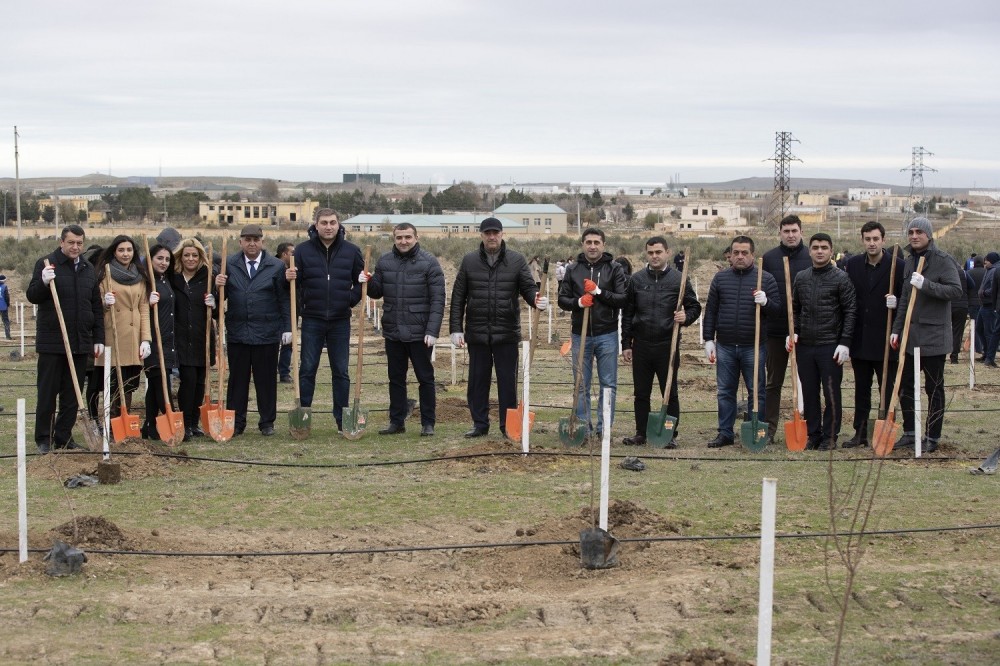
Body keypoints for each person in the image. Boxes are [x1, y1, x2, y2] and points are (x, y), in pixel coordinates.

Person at [449, 217, 545, 438]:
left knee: (507, 382)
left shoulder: (516, 260)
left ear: (502, 234)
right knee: (477, 382)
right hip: (478, 333)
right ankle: (480, 424)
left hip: (507, 333)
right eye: (487, 233)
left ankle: (507, 425)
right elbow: (458, 297)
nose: (491, 237)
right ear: (481, 235)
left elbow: (528, 288)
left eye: (495, 233)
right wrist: (456, 328)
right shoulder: (469, 261)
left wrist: (536, 300)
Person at [26, 225, 105, 453]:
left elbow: (96, 307)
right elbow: (32, 296)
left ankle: (63, 436)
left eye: (79, 243)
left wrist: (97, 337)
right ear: (62, 242)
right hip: (53, 342)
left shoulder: (88, 269)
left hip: (80, 342)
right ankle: (43, 438)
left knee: (72, 394)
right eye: (71, 242)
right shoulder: (46, 264)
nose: (75, 247)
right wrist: (42, 282)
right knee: (48, 392)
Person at [363, 223, 446, 436]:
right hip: (393, 331)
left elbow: (438, 300)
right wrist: (367, 281)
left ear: (416, 237)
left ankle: (428, 423)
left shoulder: (429, 263)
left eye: (408, 237)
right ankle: (396, 421)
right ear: (394, 239)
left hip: (420, 333)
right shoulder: (385, 261)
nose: (403, 241)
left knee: (425, 378)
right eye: (399, 237)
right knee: (395, 378)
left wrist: (432, 331)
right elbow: (376, 292)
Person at [288, 209, 364, 433]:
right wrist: (291, 283)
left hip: (340, 320)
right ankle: (303, 419)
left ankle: (342, 421)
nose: (328, 227)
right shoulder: (302, 251)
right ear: (316, 225)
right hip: (312, 319)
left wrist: (349, 299)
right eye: (324, 223)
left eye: (332, 222)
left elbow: (362, 281)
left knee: (341, 371)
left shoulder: (352, 251)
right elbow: (293, 284)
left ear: (339, 225)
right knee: (308, 369)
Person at [891, 218, 963, 452]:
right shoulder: (909, 260)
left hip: (933, 336)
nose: (914, 236)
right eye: (911, 232)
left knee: (934, 389)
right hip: (910, 337)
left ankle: (932, 436)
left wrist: (927, 285)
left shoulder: (944, 261)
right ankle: (910, 432)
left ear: (929, 235)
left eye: (919, 232)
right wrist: (896, 329)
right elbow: (904, 300)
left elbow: (955, 290)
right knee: (905, 386)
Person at [621, 237, 701, 447]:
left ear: (667, 252)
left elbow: (694, 307)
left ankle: (670, 434)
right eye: (651, 253)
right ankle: (641, 433)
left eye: (658, 252)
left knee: (670, 391)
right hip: (642, 345)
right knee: (641, 392)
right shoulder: (636, 280)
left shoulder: (679, 279)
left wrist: (686, 317)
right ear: (646, 254)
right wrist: (626, 344)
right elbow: (628, 314)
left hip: (668, 344)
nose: (655, 256)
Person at [703, 236, 781, 448]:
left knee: (757, 391)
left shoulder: (765, 279)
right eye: (736, 252)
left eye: (744, 252)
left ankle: (755, 430)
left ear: (752, 255)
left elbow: (777, 311)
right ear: (730, 254)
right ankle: (725, 433)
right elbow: (711, 310)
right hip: (726, 345)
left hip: (754, 346)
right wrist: (708, 339)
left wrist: (766, 302)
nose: (739, 256)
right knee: (725, 391)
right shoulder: (720, 279)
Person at [215, 224, 290, 437]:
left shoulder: (275, 266)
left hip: (266, 332)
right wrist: (216, 286)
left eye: (256, 239)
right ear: (240, 242)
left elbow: (284, 299)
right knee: (237, 381)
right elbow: (219, 299)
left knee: (266, 380)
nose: (251, 243)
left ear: (262, 242)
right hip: (238, 332)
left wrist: (287, 327)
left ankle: (267, 422)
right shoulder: (228, 264)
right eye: (247, 239)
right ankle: (237, 422)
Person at [558, 227, 628, 436]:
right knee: (581, 384)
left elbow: (622, 298)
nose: (592, 246)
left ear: (603, 245)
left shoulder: (614, 269)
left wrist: (599, 292)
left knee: (608, 384)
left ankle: (604, 429)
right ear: (582, 244)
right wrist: (579, 302)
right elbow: (562, 300)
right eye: (588, 242)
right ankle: (582, 428)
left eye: (597, 242)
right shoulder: (572, 270)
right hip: (580, 334)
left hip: (607, 334)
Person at [790, 233, 857, 450]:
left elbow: (850, 311)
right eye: (816, 247)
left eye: (824, 247)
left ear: (831, 251)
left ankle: (830, 436)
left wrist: (845, 342)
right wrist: (794, 333)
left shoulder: (841, 278)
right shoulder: (801, 277)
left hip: (831, 345)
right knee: (809, 393)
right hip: (806, 346)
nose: (820, 251)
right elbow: (796, 309)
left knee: (831, 393)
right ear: (809, 250)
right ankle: (814, 434)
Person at [842, 221, 904, 448]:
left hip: (886, 339)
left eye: (875, 239)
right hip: (861, 338)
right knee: (861, 389)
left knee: (887, 389)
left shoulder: (898, 265)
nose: (871, 243)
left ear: (883, 240)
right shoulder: (854, 264)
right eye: (867, 239)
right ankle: (860, 433)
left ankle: (886, 432)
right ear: (862, 240)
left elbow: (905, 300)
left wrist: (895, 304)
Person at [761, 215, 812, 445]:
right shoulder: (770, 259)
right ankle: (769, 428)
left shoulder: (811, 256)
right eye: (786, 231)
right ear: (780, 233)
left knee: (808, 380)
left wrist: (800, 328)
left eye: (794, 230)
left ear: (801, 231)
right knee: (773, 382)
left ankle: (811, 426)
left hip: (805, 331)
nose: (790, 235)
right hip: (775, 331)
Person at [97, 235, 153, 413]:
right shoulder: (104, 274)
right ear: (114, 252)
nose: (125, 254)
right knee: (113, 381)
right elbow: (95, 306)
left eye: (129, 250)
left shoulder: (140, 275)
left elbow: (143, 308)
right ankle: (111, 418)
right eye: (121, 250)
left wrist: (146, 338)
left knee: (129, 382)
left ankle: (124, 416)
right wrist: (104, 302)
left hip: (133, 336)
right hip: (113, 335)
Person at [171, 238, 216, 441]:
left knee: (199, 382)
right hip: (181, 337)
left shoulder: (208, 277)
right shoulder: (174, 278)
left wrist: (214, 302)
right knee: (187, 380)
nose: (191, 259)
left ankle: (194, 422)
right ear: (181, 257)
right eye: (187, 255)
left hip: (202, 336)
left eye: (195, 255)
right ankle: (185, 421)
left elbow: (217, 310)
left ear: (201, 258)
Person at [141, 243, 177, 441]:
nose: (164, 263)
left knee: (156, 384)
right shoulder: (146, 281)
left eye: (167, 259)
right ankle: (166, 419)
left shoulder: (166, 280)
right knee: (158, 381)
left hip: (167, 339)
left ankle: (150, 426)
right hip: (153, 339)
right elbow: (137, 306)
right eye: (159, 258)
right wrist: (147, 301)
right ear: (150, 259)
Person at [275, 242, 295, 384]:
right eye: (291, 253)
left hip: (290, 311)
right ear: (284, 254)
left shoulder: (292, 269)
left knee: (288, 343)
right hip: (274, 311)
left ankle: (284, 372)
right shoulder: (272, 267)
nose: (294, 255)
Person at [977, 252, 999, 366]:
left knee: (990, 332)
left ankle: (990, 358)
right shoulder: (989, 270)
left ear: (992, 260)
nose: (984, 262)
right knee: (979, 329)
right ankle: (986, 354)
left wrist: (984, 293)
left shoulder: (995, 271)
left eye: (987, 260)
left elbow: (994, 289)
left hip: (990, 305)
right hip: (983, 305)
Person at [967, 256, 986, 356]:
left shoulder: (969, 273)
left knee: (975, 326)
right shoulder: (987, 272)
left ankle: (978, 348)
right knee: (986, 326)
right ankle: (986, 347)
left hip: (972, 303)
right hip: (985, 302)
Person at [0, 274, 10, 339]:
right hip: (3, 306)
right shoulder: (4, 287)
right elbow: (7, 297)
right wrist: (8, 304)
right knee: (6, 321)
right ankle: (8, 336)